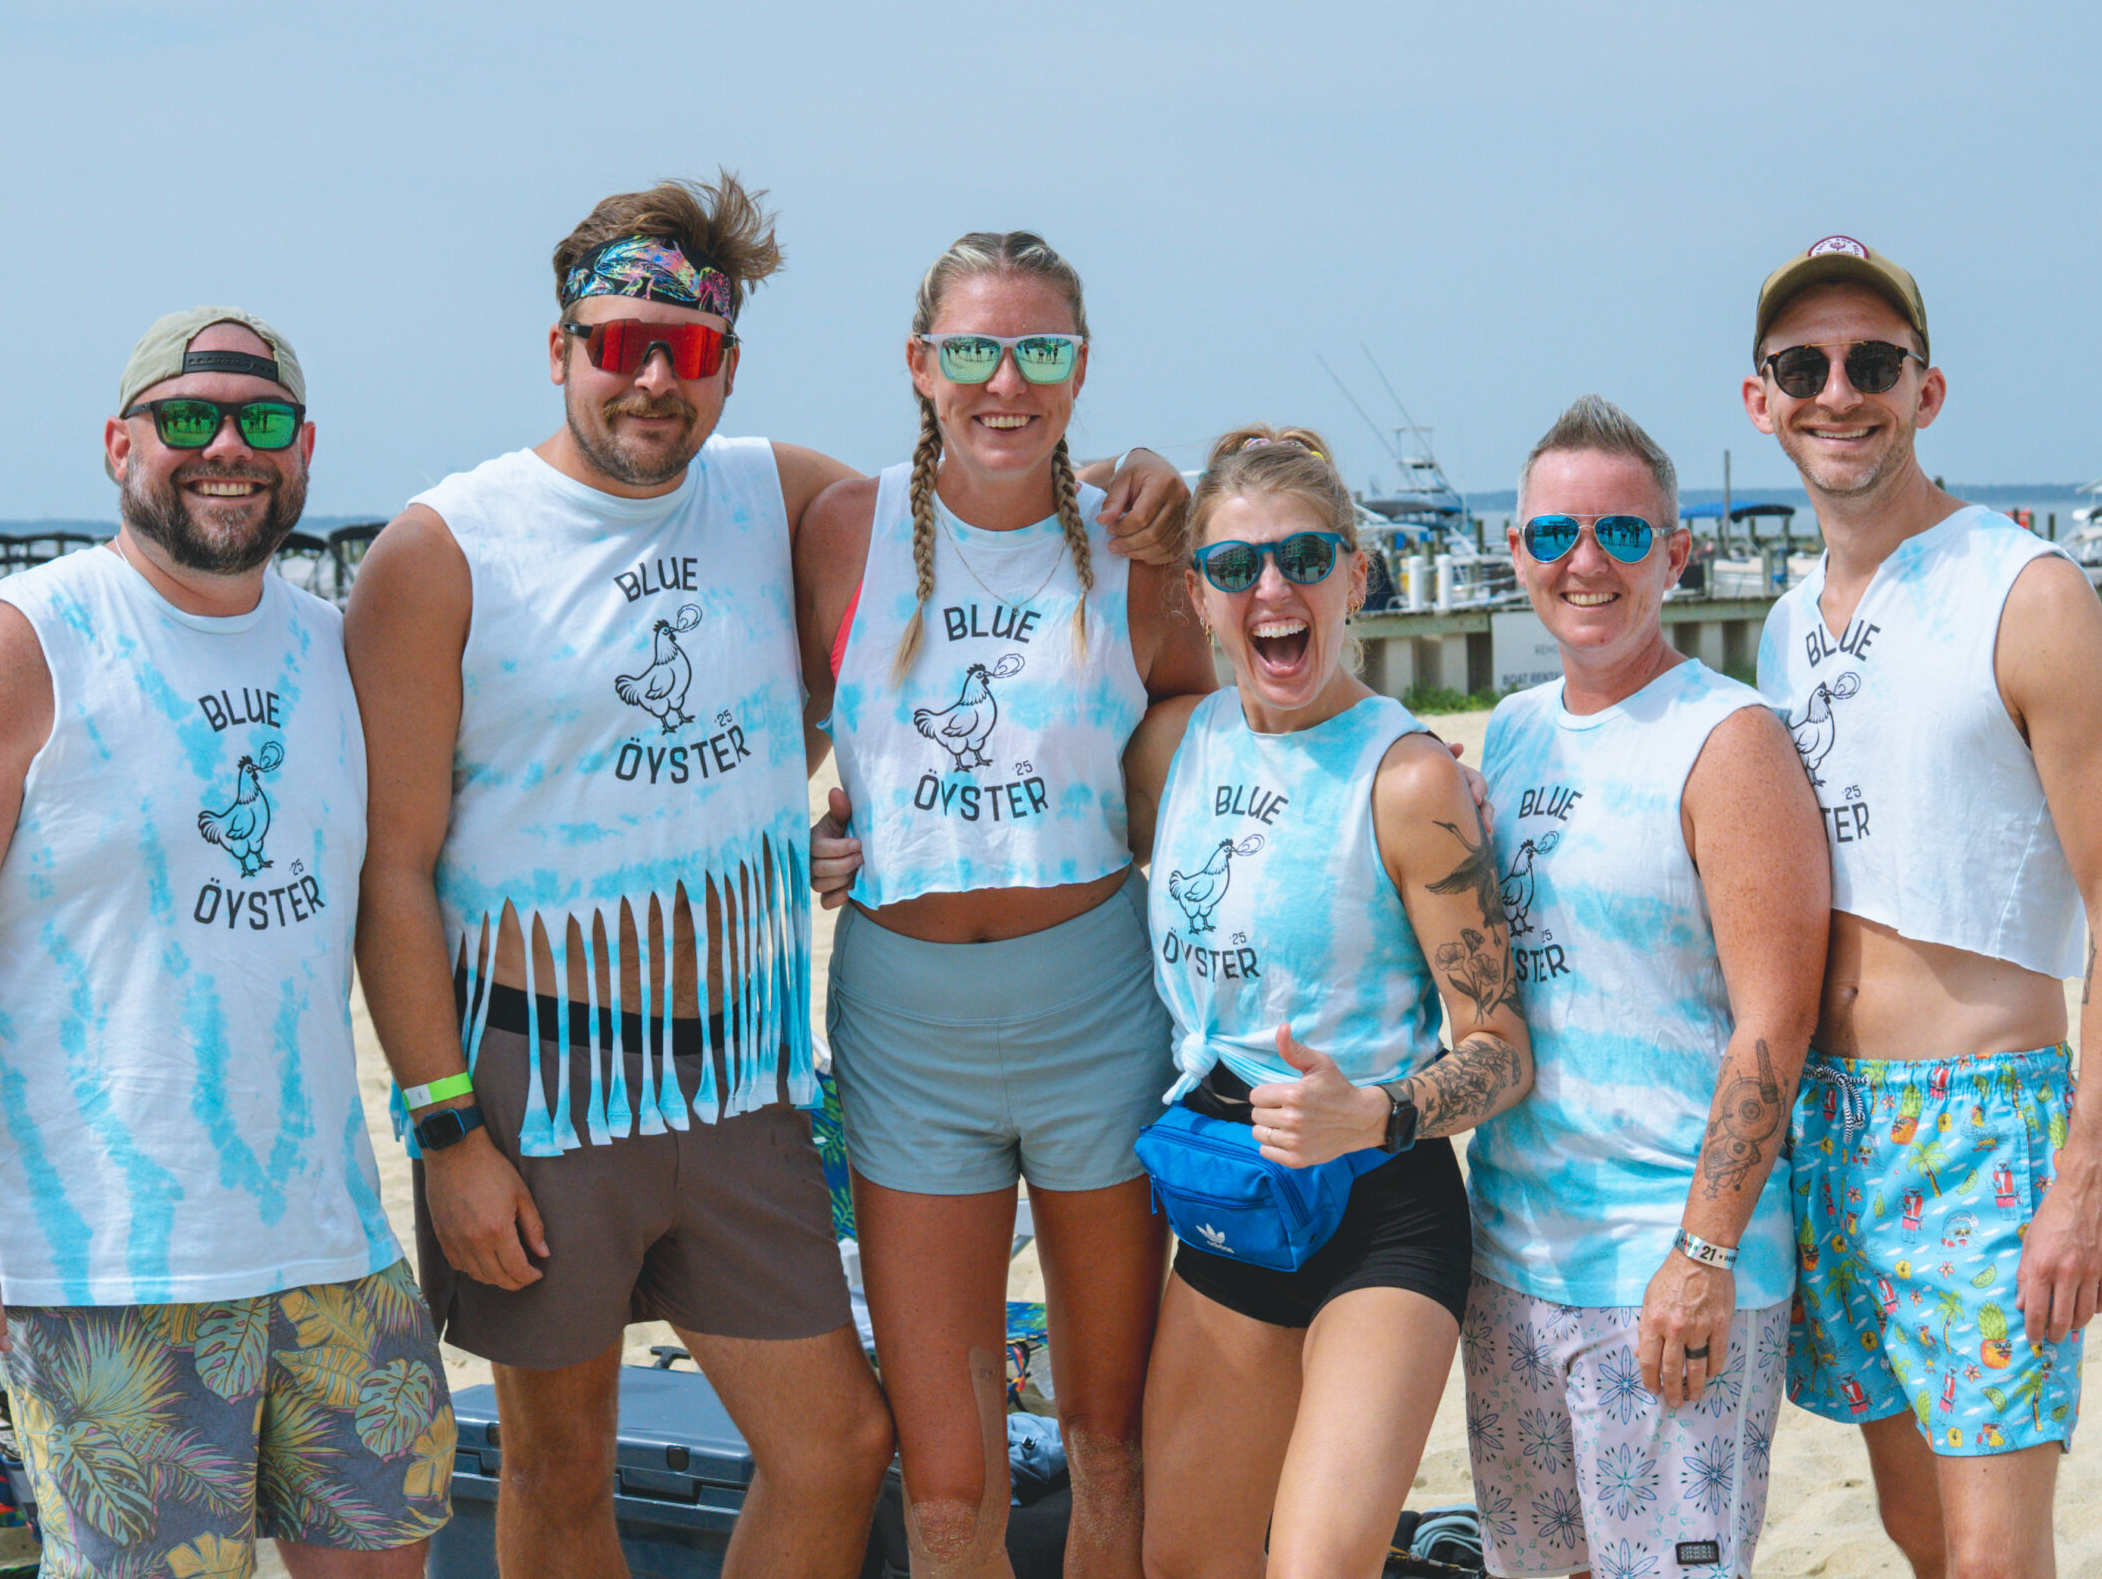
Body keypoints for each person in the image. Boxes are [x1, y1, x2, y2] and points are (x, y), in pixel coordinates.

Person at [346, 182, 1189, 1579]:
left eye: (687, 347)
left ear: (729, 364)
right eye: (620, 344)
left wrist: (1139, 477)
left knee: (838, 1444)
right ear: (559, 348)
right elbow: (390, 867)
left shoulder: (772, 492)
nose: (653, 377)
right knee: (559, 1462)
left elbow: (968, 531)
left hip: (747, 1075)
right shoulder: (443, 549)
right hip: (544, 1079)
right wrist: (444, 1132)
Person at [0, 308, 452, 1579]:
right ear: (121, 444)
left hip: (334, 1240)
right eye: (188, 418)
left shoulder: (334, 646)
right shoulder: (27, 642)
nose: (227, 446)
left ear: (304, 450)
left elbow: (431, 862)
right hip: (106, 1271)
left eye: (262, 420)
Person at [792, 230, 1219, 1577]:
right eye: (973, 348)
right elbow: (757, 732)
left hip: (1096, 1006)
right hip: (903, 1023)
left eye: (1039, 349)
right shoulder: (839, 528)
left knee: (1109, 1438)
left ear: (1080, 369)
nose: (1006, 381)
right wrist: (798, 834)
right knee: (947, 1481)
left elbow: (1214, 724)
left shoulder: (1135, 544)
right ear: (920, 365)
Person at [1744, 237, 2102, 1579]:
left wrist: (2090, 1175)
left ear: (1925, 390)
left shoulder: (2025, 589)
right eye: (1803, 367)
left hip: (1983, 1119)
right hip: (1830, 1125)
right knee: (1918, 1528)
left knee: (1991, 1552)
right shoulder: (1783, 623)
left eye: (1873, 362)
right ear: (1760, 400)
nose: (1838, 391)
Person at [1123, 425, 1535, 1579]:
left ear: (1355, 574)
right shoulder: (1173, 746)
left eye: (1304, 557)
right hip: (1227, 1197)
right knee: (1186, 1565)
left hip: (1378, 1209)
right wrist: (847, 834)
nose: (1272, 587)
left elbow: (1501, 1046)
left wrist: (1379, 1110)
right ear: (1198, 596)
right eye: (1233, 564)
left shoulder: (1408, 778)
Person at [1458, 396, 1828, 1579]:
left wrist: (1702, 1252)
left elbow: (1776, 1018)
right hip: (1512, 1258)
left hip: (1665, 1260)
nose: (1586, 561)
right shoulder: (1510, 731)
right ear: (1515, 549)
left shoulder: (1726, 735)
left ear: (1675, 553)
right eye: (1554, 533)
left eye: (1621, 533)